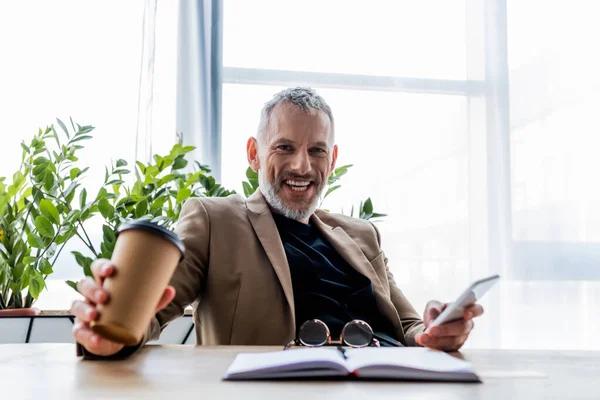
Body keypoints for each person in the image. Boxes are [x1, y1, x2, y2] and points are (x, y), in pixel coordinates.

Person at [70, 87, 483, 358]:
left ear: (332, 160)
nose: (302, 166)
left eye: (317, 151)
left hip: (386, 384)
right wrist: (111, 331)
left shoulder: (362, 234)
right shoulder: (214, 219)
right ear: (254, 153)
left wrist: (437, 328)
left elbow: (411, 327)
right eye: (284, 147)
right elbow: (149, 311)